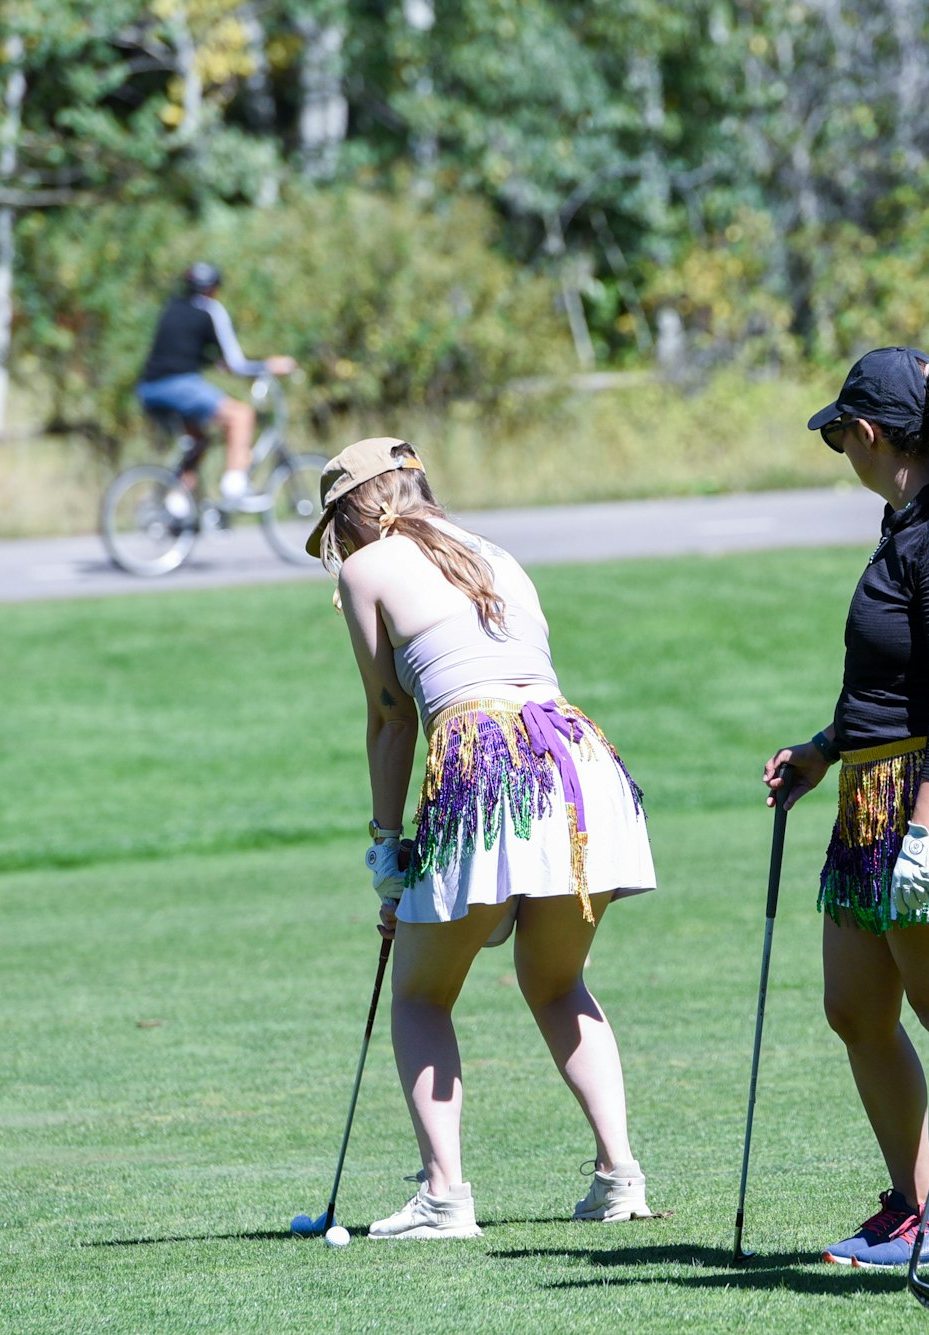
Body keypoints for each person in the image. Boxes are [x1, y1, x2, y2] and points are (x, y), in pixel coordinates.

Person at [308, 437, 658, 1239]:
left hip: (486, 761)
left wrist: (386, 845)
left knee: (420, 992)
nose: (341, 548)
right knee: (558, 981)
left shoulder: (367, 569)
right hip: (577, 760)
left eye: (338, 527)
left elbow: (392, 718)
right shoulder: (496, 552)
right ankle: (620, 1177)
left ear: (359, 509)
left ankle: (444, 1197)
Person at [762, 347, 929, 1270]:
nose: (841, 451)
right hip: (867, 796)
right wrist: (822, 750)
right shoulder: (900, 529)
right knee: (856, 1007)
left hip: (924, 797)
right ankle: (911, 1205)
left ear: (868, 432)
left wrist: (925, 832)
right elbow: (883, 682)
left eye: (838, 436)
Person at [134, 262, 296, 508]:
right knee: (241, 415)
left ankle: (177, 503)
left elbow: (183, 351)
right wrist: (268, 366)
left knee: (198, 441)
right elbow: (237, 364)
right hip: (179, 384)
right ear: (213, 289)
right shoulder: (211, 310)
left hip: (149, 388)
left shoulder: (172, 307)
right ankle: (234, 486)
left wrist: (217, 363)